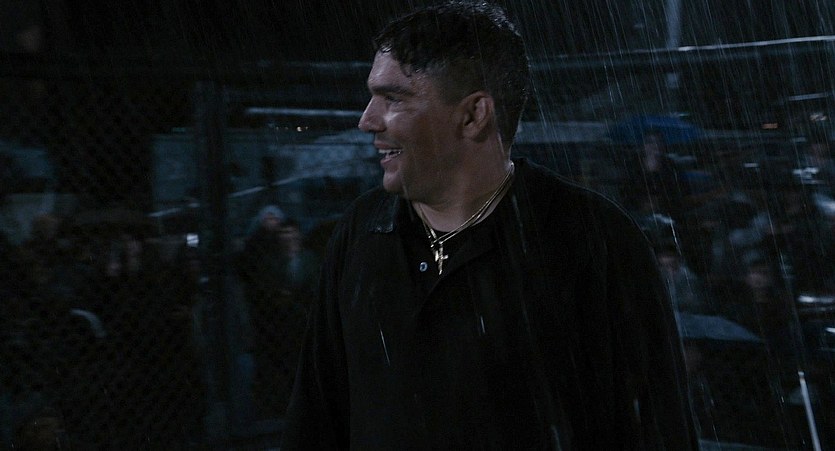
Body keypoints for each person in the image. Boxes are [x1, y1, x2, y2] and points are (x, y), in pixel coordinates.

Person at [282, 2, 697, 449]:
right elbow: (317, 413)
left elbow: (657, 425)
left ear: (474, 114)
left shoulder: (593, 241)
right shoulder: (362, 231)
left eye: (393, 99)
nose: (367, 120)